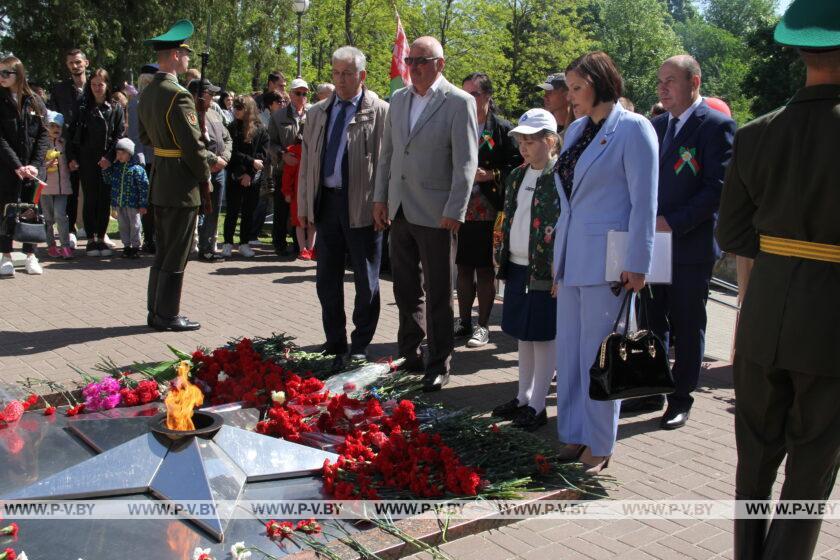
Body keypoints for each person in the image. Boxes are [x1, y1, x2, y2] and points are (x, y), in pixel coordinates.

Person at [716, 1, 840, 557]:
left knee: (755, 465)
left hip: (765, 314)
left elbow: (733, 233)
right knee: (810, 473)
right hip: (831, 326)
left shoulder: (756, 133)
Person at [552, 51, 658, 474]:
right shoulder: (577, 129)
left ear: (599, 83)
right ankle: (575, 434)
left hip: (610, 265)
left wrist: (638, 262)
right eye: (569, 88)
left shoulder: (635, 129)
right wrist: (558, 262)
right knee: (571, 357)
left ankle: (600, 443)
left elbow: (644, 202)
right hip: (572, 258)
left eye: (577, 88)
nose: (570, 96)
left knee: (600, 357)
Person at [623, 55, 736, 430]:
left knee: (688, 325)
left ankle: (680, 398)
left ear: (694, 82)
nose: (662, 88)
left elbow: (715, 191)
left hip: (689, 246)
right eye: (659, 82)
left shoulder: (716, 126)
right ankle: (652, 389)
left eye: (670, 80)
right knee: (653, 322)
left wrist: (673, 222)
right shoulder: (656, 126)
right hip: (654, 244)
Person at [373, 36, 479, 391]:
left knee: (437, 293)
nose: (413, 66)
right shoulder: (399, 99)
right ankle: (409, 355)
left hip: (437, 214)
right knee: (404, 289)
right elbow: (387, 155)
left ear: (440, 64)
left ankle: (439, 362)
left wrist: (455, 209)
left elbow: (466, 161)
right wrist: (380, 199)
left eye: (421, 60)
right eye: (410, 60)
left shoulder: (459, 102)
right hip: (400, 210)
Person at [297, 46, 389, 365]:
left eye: (347, 73)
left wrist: (382, 202)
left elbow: (385, 162)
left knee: (366, 280)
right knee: (326, 280)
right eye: (336, 73)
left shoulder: (379, 111)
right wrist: (305, 208)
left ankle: (360, 343)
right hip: (327, 205)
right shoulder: (318, 111)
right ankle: (334, 341)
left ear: (362, 75)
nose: (340, 80)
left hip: (363, 207)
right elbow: (307, 162)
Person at [138, 19, 212, 331]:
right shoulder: (178, 95)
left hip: (161, 179)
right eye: (184, 53)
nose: (188, 58)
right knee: (177, 253)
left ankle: (156, 311)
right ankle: (167, 315)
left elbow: (145, 136)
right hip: (181, 183)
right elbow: (193, 147)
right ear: (173, 55)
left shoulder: (149, 92)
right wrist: (204, 175)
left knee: (163, 250)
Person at [491, 108, 559, 431]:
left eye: (531, 141)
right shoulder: (518, 175)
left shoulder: (559, 177)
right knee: (523, 334)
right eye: (521, 141)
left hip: (544, 270)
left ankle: (538, 405)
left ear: (550, 141)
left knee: (543, 336)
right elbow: (508, 217)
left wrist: (561, 270)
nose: (524, 147)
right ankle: (523, 397)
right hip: (516, 265)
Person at [455, 73, 521, 347]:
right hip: (458, 207)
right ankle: (463, 322)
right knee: (462, 267)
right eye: (465, 94)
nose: (469, 100)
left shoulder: (502, 129)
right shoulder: (458, 124)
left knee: (484, 269)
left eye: (474, 94)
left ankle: (482, 325)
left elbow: (517, 167)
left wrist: (490, 174)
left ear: (487, 96)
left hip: (488, 209)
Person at [66, 68, 125, 257]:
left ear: (107, 85)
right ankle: (91, 239)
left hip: (107, 159)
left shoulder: (115, 107)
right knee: (90, 198)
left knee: (105, 198)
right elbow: (72, 133)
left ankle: (101, 236)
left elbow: (119, 135)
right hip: (87, 158)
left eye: (101, 84)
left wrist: (109, 157)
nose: (97, 88)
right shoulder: (83, 106)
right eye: (93, 84)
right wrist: (72, 157)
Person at [0, 56, 49, 277]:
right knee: (6, 211)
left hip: (31, 169)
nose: (1, 77)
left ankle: (31, 255)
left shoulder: (34, 101)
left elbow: (43, 134)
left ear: (18, 74)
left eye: (5, 73)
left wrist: (35, 165)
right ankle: (6, 255)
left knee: (31, 211)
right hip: (7, 168)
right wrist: (16, 165)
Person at [189, 78, 232, 263]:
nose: (213, 98)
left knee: (213, 211)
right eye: (209, 94)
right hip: (198, 170)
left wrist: (224, 159)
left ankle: (207, 247)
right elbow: (193, 144)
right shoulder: (189, 115)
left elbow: (227, 138)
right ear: (197, 96)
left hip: (219, 170)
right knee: (194, 212)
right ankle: (191, 246)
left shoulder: (214, 114)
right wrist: (213, 159)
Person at [48, 48, 88, 246]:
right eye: (71, 63)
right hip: (68, 148)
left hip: (91, 148)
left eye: (78, 62)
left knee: (93, 190)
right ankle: (71, 230)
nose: (75, 66)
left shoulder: (95, 86)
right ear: (67, 65)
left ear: (86, 63)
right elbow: (54, 120)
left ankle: (95, 231)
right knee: (70, 190)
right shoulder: (60, 90)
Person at [221, 95, 268, 258]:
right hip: (235, 175)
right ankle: (227, 242)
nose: (235, 110)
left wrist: (250, 174)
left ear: (248, 109)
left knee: (249, 211)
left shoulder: (261, 129)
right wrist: (244, 170)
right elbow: (231, 153)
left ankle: (244, 243)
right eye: (234, 107)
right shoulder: (232, 127)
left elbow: (263, 154)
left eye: (239, 107)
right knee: (232, 210)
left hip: (253, 178)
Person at [268, 78, 310, 258]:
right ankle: (279, 244)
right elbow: (270, 143)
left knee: (302, 209)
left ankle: (299, 245)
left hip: (306, 172)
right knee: (282, 208)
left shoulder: (313, 114)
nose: (301, 97)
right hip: (284, 170)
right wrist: (282, 155)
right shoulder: (278, 116)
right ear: (291, 94)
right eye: (298, 93)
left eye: (304, 94)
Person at [101, 138, 149, 258]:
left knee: (135, 225)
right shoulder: (116, 168)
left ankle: (136, 247)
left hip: (133, 205)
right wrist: (105, 169)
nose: (120, 156)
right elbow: (108, 181)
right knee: (123, 225)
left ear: (130, 154)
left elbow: (144, 188)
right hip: (120, 203)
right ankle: (126, 246)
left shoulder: (137, 169)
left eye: (123, 153)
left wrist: (143, 204)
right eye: (118, 153)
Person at [128, 64, 158, 254]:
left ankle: (158, 237)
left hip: (162, 158)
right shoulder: (135, 102)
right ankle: (149, 238)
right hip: (144, 159)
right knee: (147, 202)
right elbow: (133, 132)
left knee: (159, 201)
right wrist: (138, 157)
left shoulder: (162, 101)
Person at [39, 110, 74, 259]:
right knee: (48, 218)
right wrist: (46, 164)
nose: (55, 129)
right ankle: (51, 245)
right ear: (46, 126)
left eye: (58, 126)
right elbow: (36, 164)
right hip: (45, 188)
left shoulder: (64, 144)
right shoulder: (41, 144)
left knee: (61, 216)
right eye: (51, 126)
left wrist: (73, 164)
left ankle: (65, 246)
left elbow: (70, 159)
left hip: (62, 187)